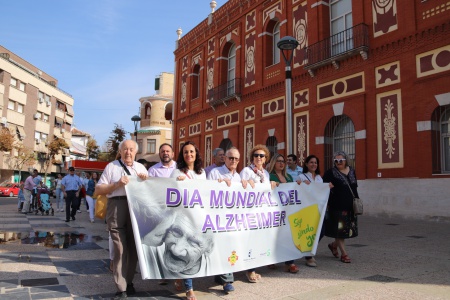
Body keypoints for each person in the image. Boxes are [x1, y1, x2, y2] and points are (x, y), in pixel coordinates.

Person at [95, 140, 148, 299]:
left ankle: (129, 282)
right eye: (125, 149)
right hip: (117, 206)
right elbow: (98, 189)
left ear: (136, 152)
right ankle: (121, 287)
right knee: (119, 248)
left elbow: (150, 191)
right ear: (120, 151)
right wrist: (117, 184)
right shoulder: (112, 166)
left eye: (131, 149)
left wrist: (146, 182)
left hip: (136, 207)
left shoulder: (141, 168)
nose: (128, 152)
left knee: (133, 247)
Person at [207, 147, 248, 293]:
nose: (234, 161)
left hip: (234, 219)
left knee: (229, 247)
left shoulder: (238, 177)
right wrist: (218, 184)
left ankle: (222, 276)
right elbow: (207, 192)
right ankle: (227, 280)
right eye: (231, 158)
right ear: (225, 158)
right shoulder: (215, 173)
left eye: (237, 159)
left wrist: (248, 185)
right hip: (218, 219)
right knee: (225, 247)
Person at [169, 141, 206, 300]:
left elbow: (206, 192)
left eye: (191, 152)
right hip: (183, 218)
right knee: (187, 249)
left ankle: (180, 276)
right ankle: (189, 288)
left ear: (196, 154)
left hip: (197, 216)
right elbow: (169, 192)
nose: (189, 154)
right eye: (185, 152)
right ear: (182, 155)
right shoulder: (176, 171)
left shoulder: (202, 173)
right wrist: (177, 182)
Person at [239, 144, 277, 283]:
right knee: (250, 240)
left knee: (259, 240)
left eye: (262, 156)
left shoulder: (265, 174)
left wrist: (272, 183)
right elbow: (240, 187)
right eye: (256, 155)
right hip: (250, 211)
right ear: (252, 158)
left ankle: (255, 265)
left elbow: (267, 189)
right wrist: (245, 183)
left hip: (262, 212)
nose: (259, 158)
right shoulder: (246, 171)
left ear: (266, 158)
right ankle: (250, 270)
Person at [323, 151, 359, 264]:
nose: (338, 162)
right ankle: (344, 254)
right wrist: (328, 187)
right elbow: (323, 187)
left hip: (351, 206)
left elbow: (354, 187)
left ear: (346, 160)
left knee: (347, 230)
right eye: (336, 161)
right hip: (337, 207)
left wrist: (357, 202)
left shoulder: (352, 171)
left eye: (341, 160)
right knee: (340, 230)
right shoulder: (331, 173)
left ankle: (333, 246)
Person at [266, 153, 299, 273]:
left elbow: (294, 190)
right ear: (274, 162)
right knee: (275, 236)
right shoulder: (270, 176)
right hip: (275, 211)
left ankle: (290, 263)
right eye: (278, 161)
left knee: (288, 236)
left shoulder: (289, 177)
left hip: (288, 210)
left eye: (283, 161)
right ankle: (271, 258)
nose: (281, 163)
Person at [296, 154, 327, 267]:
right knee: (309, 232)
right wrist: (302, 184)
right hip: (307, 209)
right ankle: (309, 256)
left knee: (322, 231)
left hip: (319, 209)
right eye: (311, 162)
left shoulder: (319, 178)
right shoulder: (302, 176)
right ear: (306, 164)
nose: (313, 164)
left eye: (315, 163)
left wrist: (328, 187)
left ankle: (309, 249)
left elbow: (322, 191)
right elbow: (296, 188)